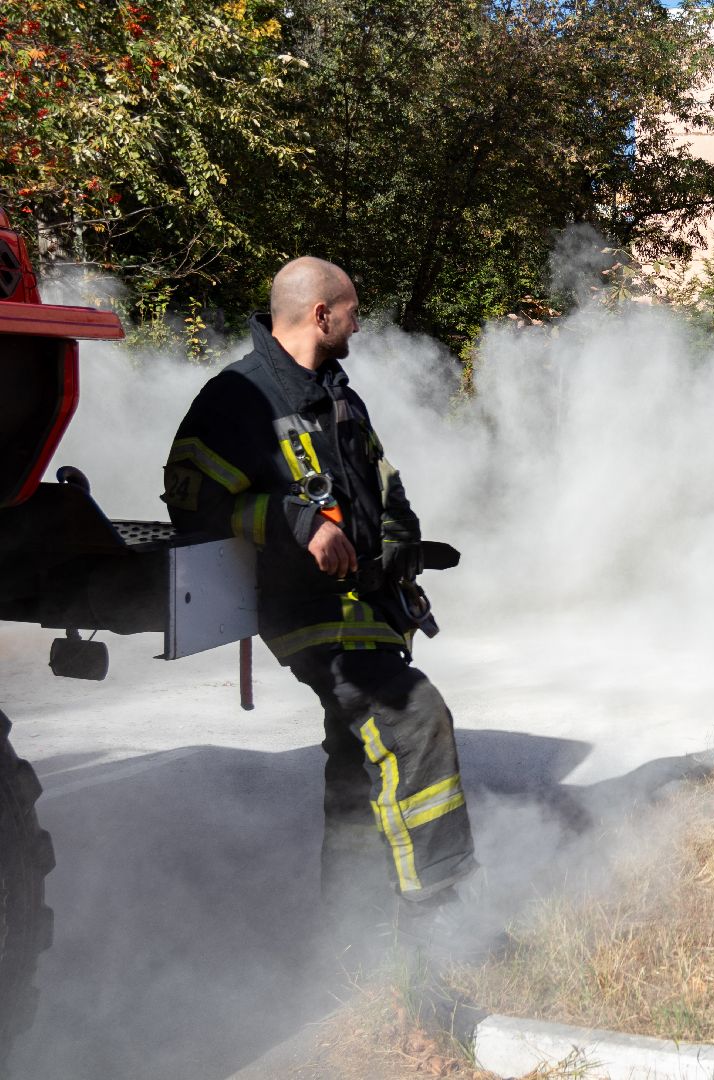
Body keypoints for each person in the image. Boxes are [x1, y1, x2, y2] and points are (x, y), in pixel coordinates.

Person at [163, 257, 477, 925]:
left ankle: (354, 928)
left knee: (357, 768)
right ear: (320, 314)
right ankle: (440, 919)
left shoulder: (338, 394)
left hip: (370, 609)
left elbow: (385, 482)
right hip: (307, 611)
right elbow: (193, 502)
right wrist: (296, 523)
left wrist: (402, 539)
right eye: (353, 311)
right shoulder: (237, 398)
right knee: (416, 718)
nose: (359, 324)